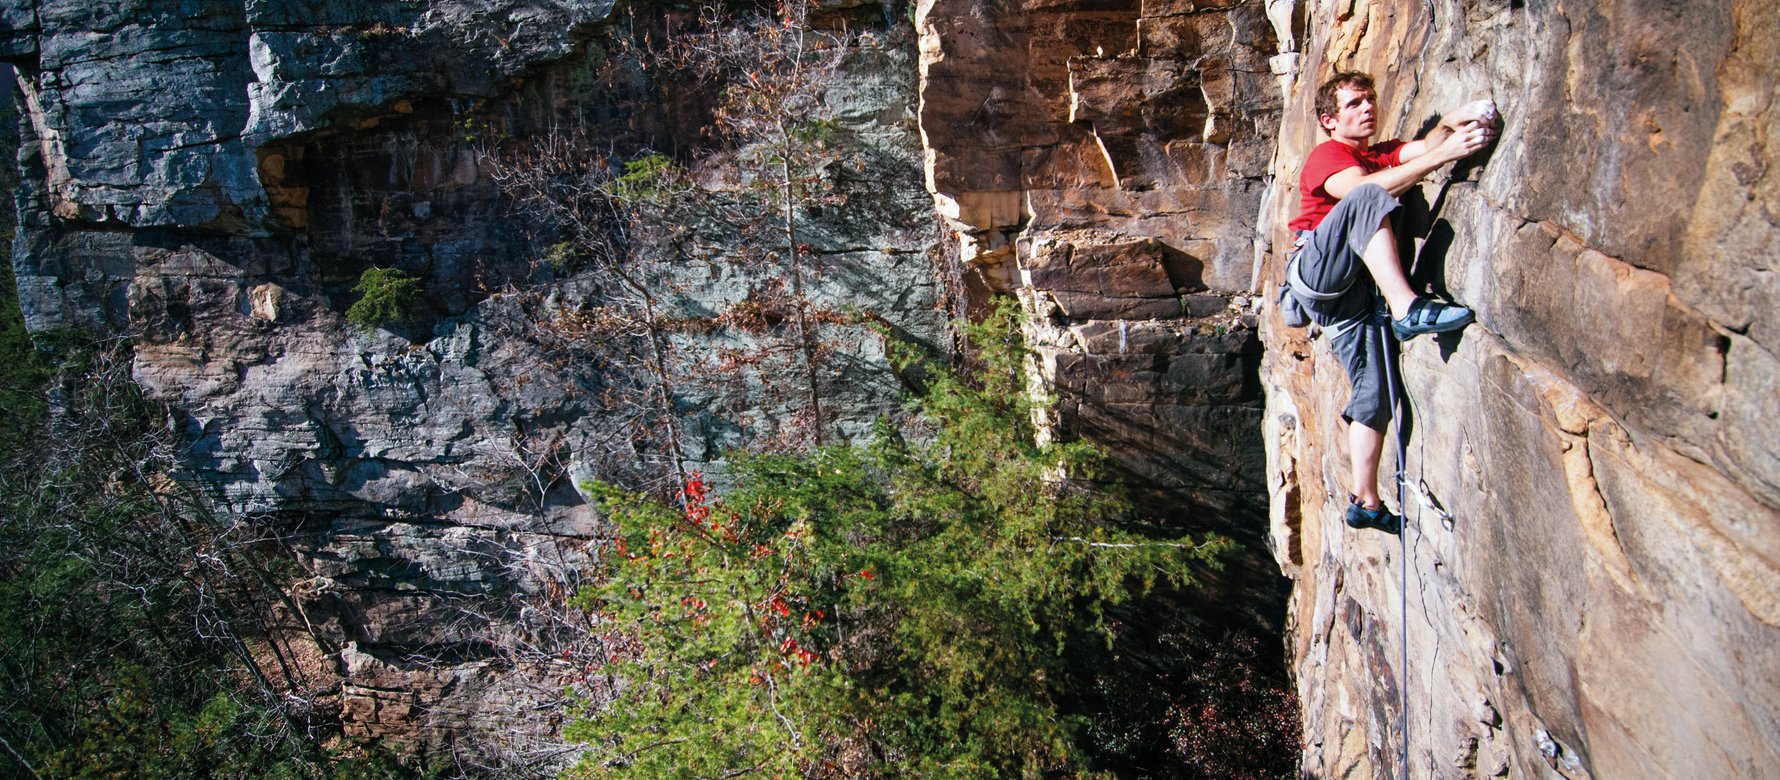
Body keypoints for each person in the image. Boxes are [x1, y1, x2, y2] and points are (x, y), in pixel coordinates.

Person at [1285, 71, 1497, 534]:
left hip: (1349, 300)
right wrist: (1445, 153)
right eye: (1356, 103)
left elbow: (1420, 148)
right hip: (1318, 273)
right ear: (1329, 119)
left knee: (1377, 393)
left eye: (1371, 99)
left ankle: (1366, 501)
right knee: (1368, 195)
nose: (1368, 108)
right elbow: (1363, 194)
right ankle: (1408, 308)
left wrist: (1456, 122)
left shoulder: (1375, 155)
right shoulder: (1329, 156)